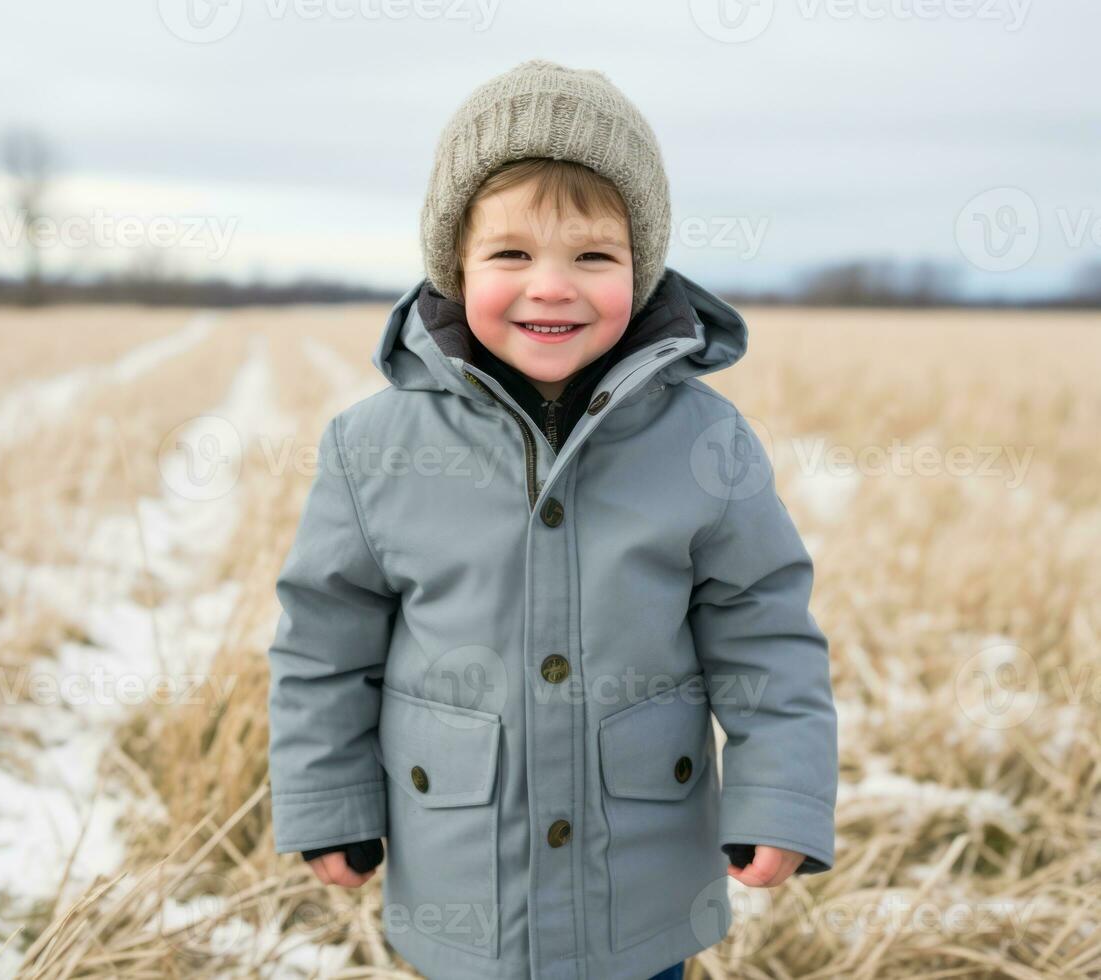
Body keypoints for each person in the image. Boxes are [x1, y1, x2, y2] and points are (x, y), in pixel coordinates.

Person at [267, 59, 838, 980]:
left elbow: (764, 631)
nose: (551, 286)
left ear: (641, 269)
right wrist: (328, 800)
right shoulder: (372, 448)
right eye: (510, 254)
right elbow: (324, 647)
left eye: (592, 256)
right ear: (453, 264)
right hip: (462, 883)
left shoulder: (705, 441)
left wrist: (779, 796)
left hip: (642, 889)